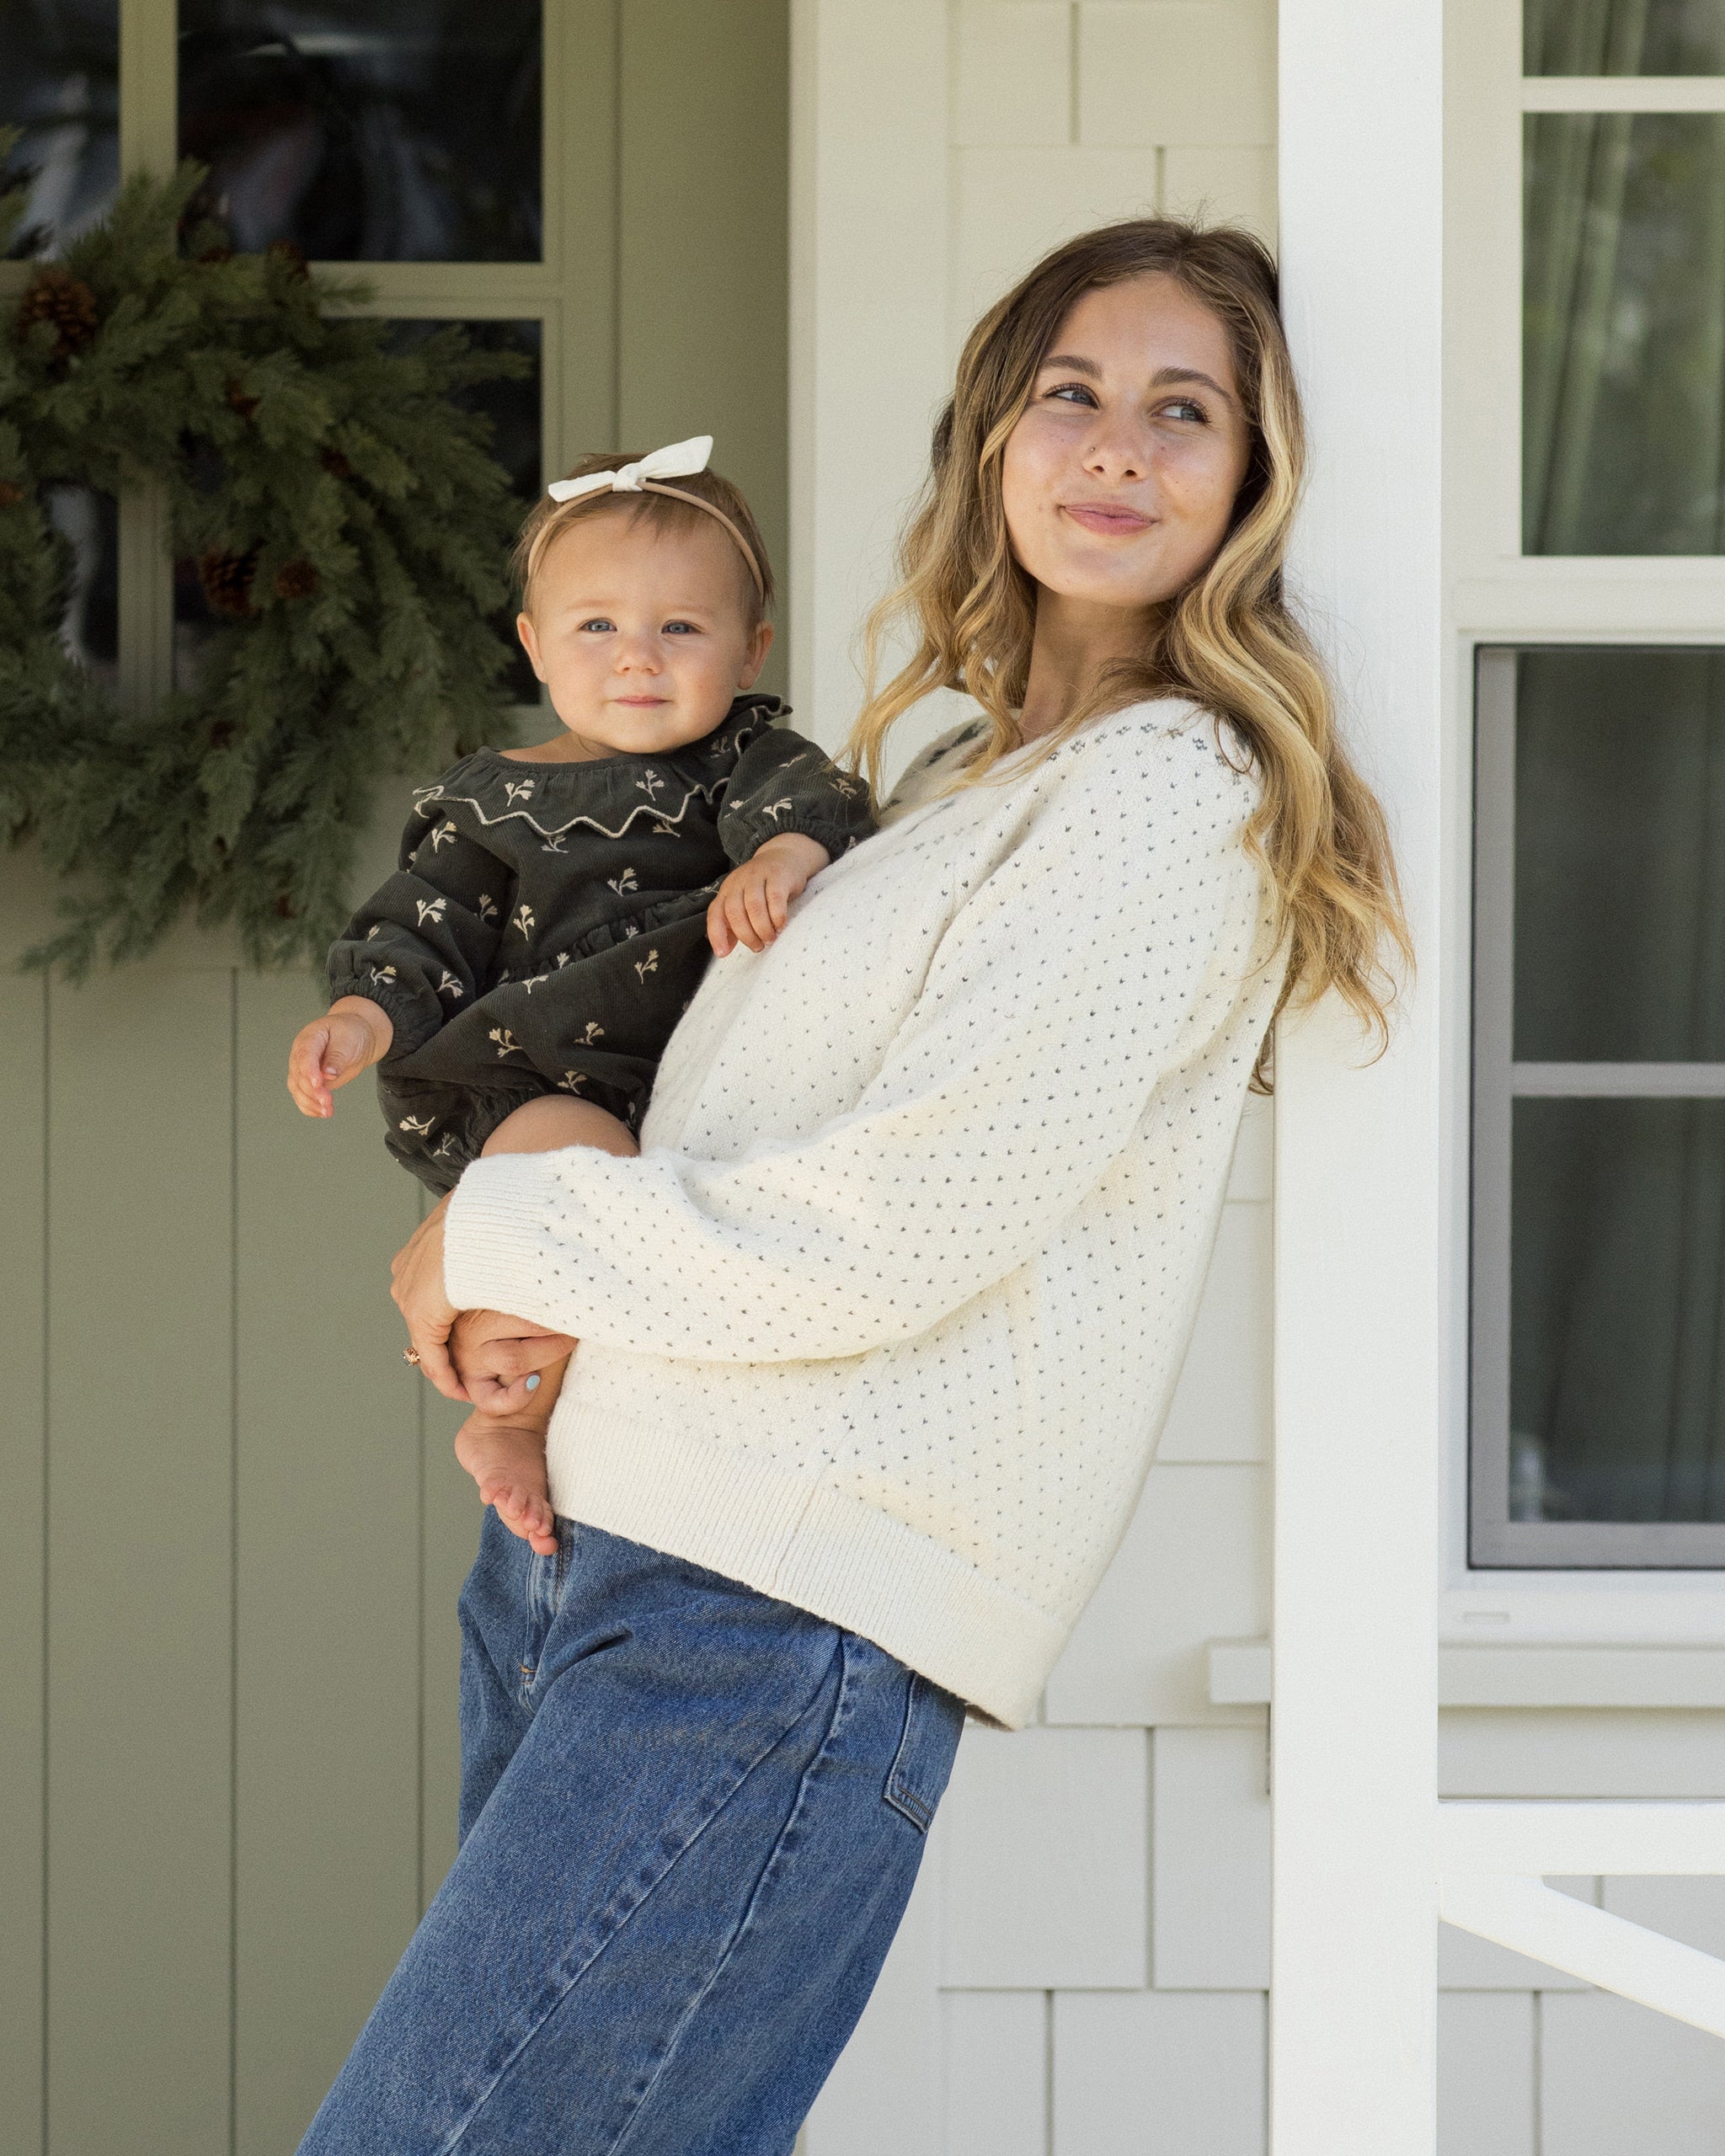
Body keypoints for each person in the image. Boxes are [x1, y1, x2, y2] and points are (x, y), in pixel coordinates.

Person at [297, 217, 1411, 2155]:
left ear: (1250, 480)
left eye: (1182, 411)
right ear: (992, 436)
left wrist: (485, 1226)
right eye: (1069, 393)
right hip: (606, 1559)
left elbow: (890, 1231)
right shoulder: (962, 781)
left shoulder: (1167, 792)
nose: (1114, 448)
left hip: (765, 1611)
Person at [285, 440, 873, 1553]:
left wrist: (784, 859)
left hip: (696, 1092)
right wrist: (358, 1020)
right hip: (543, 1077)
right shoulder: (495, 801)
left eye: (681, 629)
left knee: (649, 1295)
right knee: (569, 1184)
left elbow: (816, 801)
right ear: (534, 645)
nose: (637, 659)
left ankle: (550, 1413)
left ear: (751, 649)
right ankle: (511, 1420)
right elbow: (424, 927)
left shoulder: (748, 760)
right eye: (597, 625)